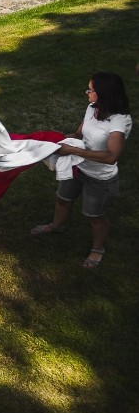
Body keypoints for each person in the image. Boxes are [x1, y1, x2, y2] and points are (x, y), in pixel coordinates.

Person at [30, 71, 132, 267]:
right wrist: (51, 143)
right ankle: (56, 226)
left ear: (105, 93)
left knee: (94, 216)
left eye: (91, 90)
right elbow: (79, 134)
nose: (87, 93)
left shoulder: (120, 121)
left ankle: (97, 249)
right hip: (77, 167)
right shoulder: (92, 108)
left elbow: (111, 156)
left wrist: (72, 150)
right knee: (62, 199)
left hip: (100, 178)